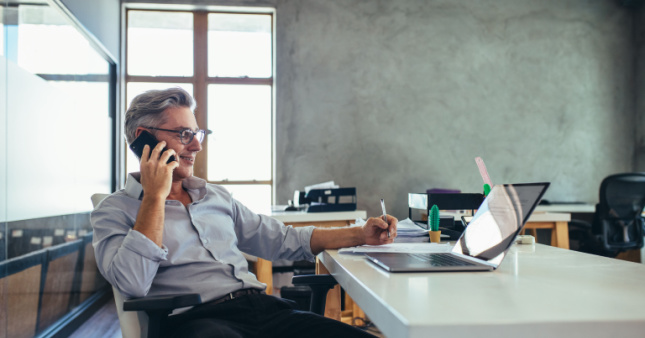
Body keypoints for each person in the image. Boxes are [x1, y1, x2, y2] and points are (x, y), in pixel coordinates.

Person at [91, 87, 398, 338]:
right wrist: (155, 197)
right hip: (199, 324)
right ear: (144, 138)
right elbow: (132, 282)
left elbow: (283, 240)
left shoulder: (215, 197)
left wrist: (360, 233)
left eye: (198, 133)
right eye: (184, 134)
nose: (197, 146)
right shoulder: (114, 211)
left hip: (264, 310)